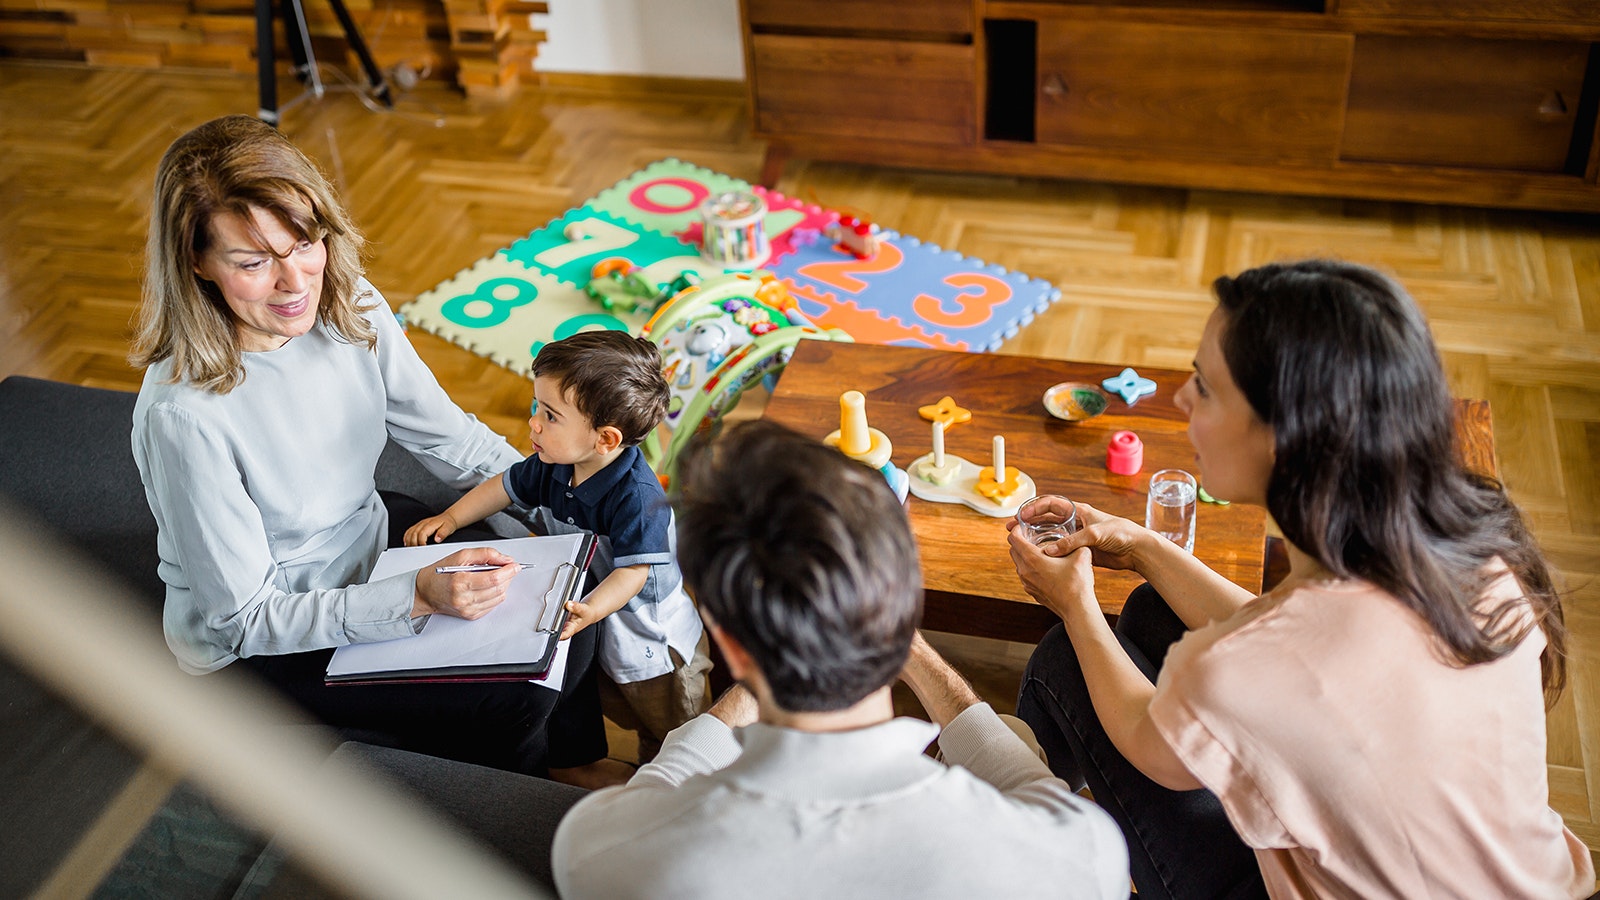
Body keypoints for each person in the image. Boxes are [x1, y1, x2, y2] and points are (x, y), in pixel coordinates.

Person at [1008, 259, 1595, 899]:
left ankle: (1018, 840)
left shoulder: (1265, 664)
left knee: (1067, 659)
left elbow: (1150, 742)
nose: (1179, 396)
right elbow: (1277, 640)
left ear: (1285, 440)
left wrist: (1075, 605)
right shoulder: (1479, 547)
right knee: (1153, 609)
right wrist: (1144, 546)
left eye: (1204, 386)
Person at [128, 114, 609, 781]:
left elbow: (451, 438)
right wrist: (415, 597)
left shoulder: (347, 304)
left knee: (577, 582)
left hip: (369, 545)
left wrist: (569, 494)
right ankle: (524, 813)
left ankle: (583, 768)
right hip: (267, 646)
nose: (295, 283)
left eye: (303, 244)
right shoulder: (184, 416)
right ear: (197, 263)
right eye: (252, 263)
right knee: (514, 693)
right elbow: (243, 621)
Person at [551, 420, 1129, 900]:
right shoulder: (1074, 854)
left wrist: (771, 654)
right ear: (903, 606)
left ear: (728, 642)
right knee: (1012, 733)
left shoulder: (606, 852)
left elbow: (661, 783)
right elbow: (1034, 787)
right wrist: (906, 642)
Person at [405, 330, 711, 764]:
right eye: (537, 407)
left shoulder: (638, 499)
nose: (533, 423)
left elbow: (632, 573)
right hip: (597, 623)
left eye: (549, 415)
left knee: (672, 729)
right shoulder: (555, 463)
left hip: (651, 639)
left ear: (605, 439)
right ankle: (647, 760)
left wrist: (592, 608)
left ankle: (670, 774)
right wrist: (452, 518)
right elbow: (503, 487)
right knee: (620, 705)